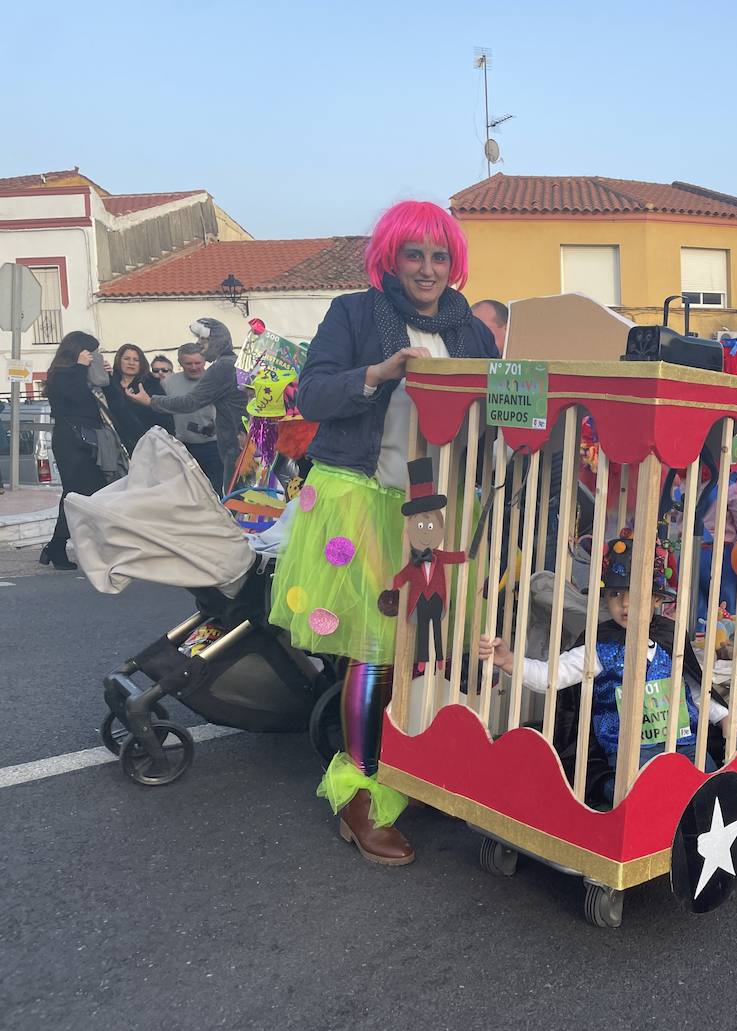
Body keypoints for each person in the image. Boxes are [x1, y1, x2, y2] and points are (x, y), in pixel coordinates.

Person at [268, 200, 498, 865]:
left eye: (439, 255)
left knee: (425, 649)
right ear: (391, 258)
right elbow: (310, 394)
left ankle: (418, 766)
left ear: (453, 263)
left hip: (435, 503)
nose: (427, 269)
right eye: (414, 254)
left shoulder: (471, 329)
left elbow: (504, 404)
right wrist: (376, 373)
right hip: (362, 499)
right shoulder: (354, 314)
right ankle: (359, 795)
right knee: (374, 646)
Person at [478, 534, 718, 804]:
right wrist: (509, 660)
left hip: (685, 746)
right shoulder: (599, 645)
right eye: (616, 594)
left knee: (709, 789)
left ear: (656, 599)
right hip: (632, 755)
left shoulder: (670, 637)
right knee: (640, 801)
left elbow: (695, 690)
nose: (625, 603)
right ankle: (609, 790)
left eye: (635, 591)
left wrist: (726, 719)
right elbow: (551, 676)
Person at [128, 318, 248, 491]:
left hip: (233, 444)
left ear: (217, 341)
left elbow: (191, 402)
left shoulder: (223, 366)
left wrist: (150, 401)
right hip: (235, 441)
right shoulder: (232, 363)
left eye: (203, 340)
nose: (199, 344)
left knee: (233, 497)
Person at [40, 332, 126, 571]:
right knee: (76, 494)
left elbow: (116, 406)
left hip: (95, 439)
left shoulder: (90, 377)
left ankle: (59, 546)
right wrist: (80, 368)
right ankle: (62, 546)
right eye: (90, 351)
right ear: (77, 351)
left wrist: (108, 377)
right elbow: (74, 398)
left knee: (89, 494)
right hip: (71, 440)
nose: (94, 356)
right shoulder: (62, 375)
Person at [162, 341, 224, 491]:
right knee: (189, 491)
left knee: (214, 490)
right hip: (183, 447)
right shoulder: (168, 383)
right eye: (188, 363)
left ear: (205, 361)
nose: (194, 367)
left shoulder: (217, 380)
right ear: (180, 363)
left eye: (198, 362)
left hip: (215, 446)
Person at [109, 342, 174, 451]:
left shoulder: (152, 384)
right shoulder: (110, 384)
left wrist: (147, 403)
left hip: (149, 444)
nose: (131, 363)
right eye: (126, 358)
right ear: (119, 360)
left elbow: (166, 418)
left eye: (136, 360)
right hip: (117, 445)